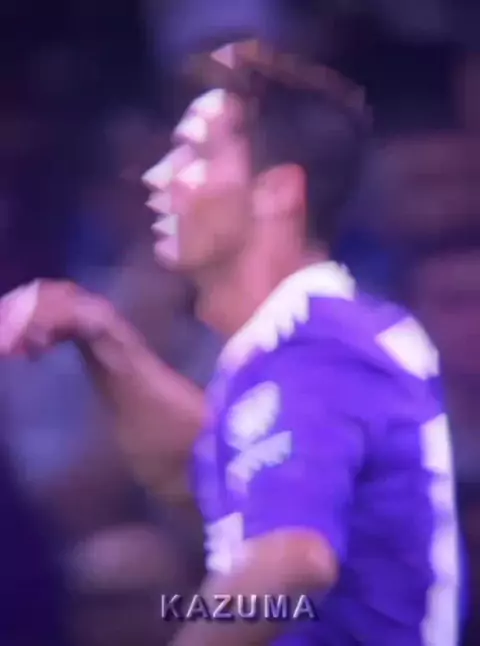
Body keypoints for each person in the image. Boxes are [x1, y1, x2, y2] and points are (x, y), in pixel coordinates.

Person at [0, 40, 459, 645]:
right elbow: (204, 476)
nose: (157, 177)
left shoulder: (319, 347)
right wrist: (99, 334)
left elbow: (290, 565)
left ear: (277, 191)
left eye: (193, 153)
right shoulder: (292, 343)